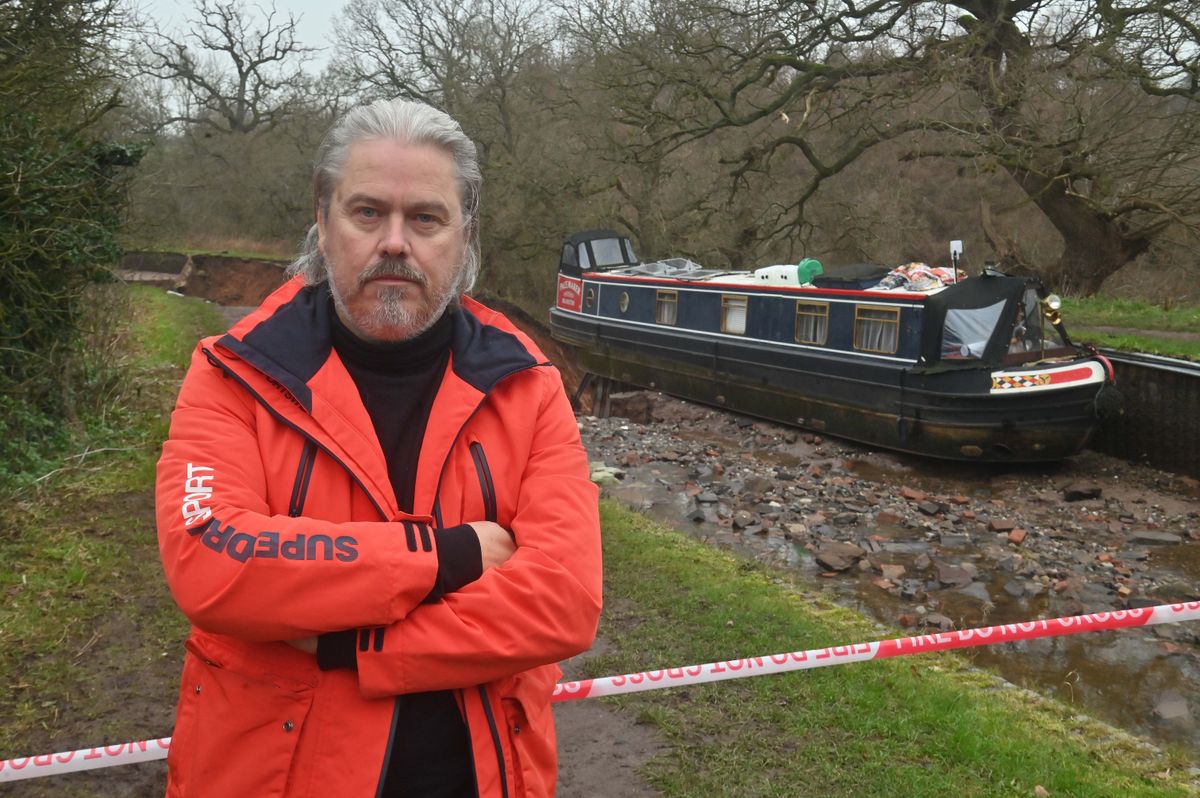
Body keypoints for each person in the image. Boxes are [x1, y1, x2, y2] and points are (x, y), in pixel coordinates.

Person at [154, 98, 603, 798]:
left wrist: (350, 644)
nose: (395, 242)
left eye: (425, 218)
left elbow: (564, 600)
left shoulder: (528, 387)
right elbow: (214, 563)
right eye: (368, 213)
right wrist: (447, 556)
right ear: (324, 220)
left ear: (465, 235)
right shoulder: (231, 375)